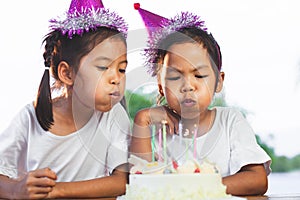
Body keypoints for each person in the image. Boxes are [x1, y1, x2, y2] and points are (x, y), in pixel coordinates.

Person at [130, 3, 271, 196]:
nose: (188, 86)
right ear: (161, 86)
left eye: (199, 76)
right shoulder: (156, 131)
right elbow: (140, 185)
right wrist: (141, 120)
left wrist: (192, 188)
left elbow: (257, 180)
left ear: (218, 82)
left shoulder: (229, 122)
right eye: (174, 77)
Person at [0, 0, 130, 199]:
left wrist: (57, 190)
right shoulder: (29, 118)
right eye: (103, 67)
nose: (117, 78)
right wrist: (16, 190)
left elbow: (122, 181)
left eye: (122, 69)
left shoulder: (114, 116)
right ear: (67, 74)